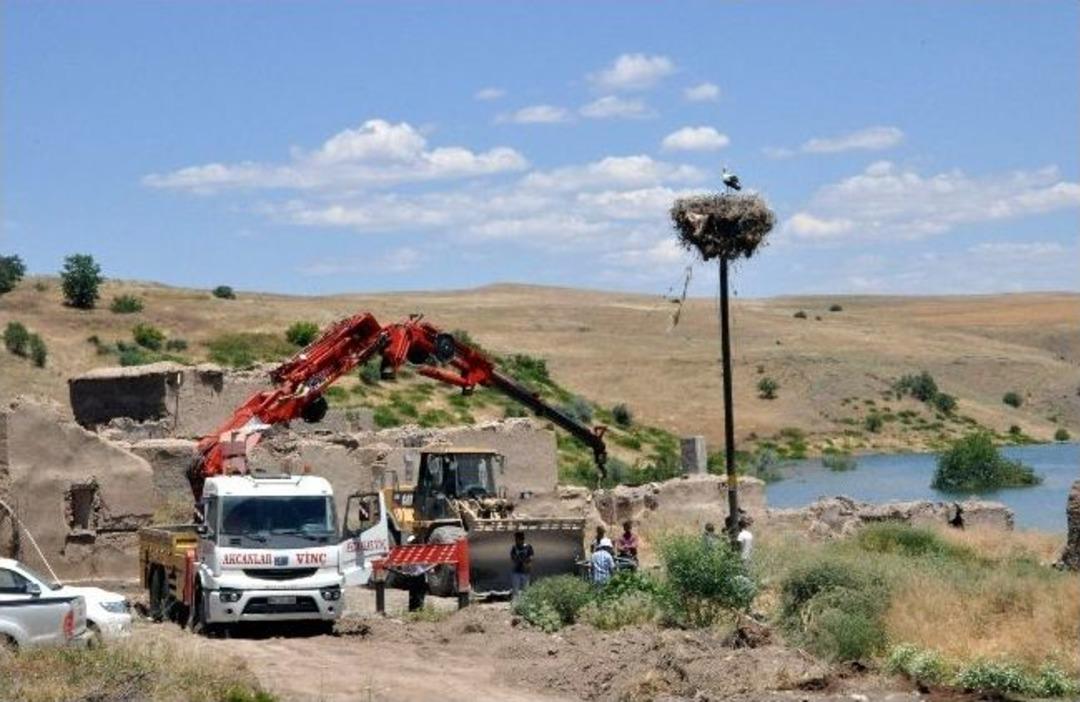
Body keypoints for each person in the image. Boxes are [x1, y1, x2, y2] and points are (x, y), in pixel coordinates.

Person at [509, 531, 534, 599]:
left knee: (526, 589)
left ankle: (525, 603)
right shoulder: (514, 547)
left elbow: (531, 557)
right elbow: (513, 558)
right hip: (516, 571)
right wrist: (519, 559)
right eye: (516, 539)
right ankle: (515, 603)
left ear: (522, 539)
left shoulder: (528, 547)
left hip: (525, 571)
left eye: (518, 539)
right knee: (515, 589)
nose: (516, 541)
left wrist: (525, 562)